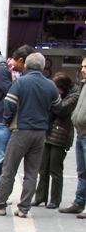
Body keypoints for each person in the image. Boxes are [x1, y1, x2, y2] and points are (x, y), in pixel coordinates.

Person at [0, 52, 60, 218]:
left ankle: (0, 205)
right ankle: (24, 208)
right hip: (40, 133)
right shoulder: (50, 85)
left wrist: (7, 120)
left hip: (20, 130)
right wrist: (47, 122)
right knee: (32, 173)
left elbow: (9, 104)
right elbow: (57, 107)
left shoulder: (20, 83)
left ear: (26, 65)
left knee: (9, 169)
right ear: (42, 66)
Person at [0, 46, 33, 204]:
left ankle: (0, 192)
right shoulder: (3, 71)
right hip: (0, 120)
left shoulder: (20, 73)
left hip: (13, 121)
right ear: (20, 60)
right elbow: (11, 91)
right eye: (26, 63)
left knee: (7, 159)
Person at [33, 72, 78, 209]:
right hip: (48, 133)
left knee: (55, 170)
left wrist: (51, 101)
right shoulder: (57, 96)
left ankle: (55, 200)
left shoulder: (73, 96)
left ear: (63, 87)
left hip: (61, 136)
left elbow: (61, 109)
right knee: (43, 168)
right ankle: (40, 197)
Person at [59, 57, 86, 217]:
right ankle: (79, 202)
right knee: (82, 171)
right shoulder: (83, 84)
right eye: (82, 66)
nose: (83, 69)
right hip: (81, 133)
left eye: (85, 66)